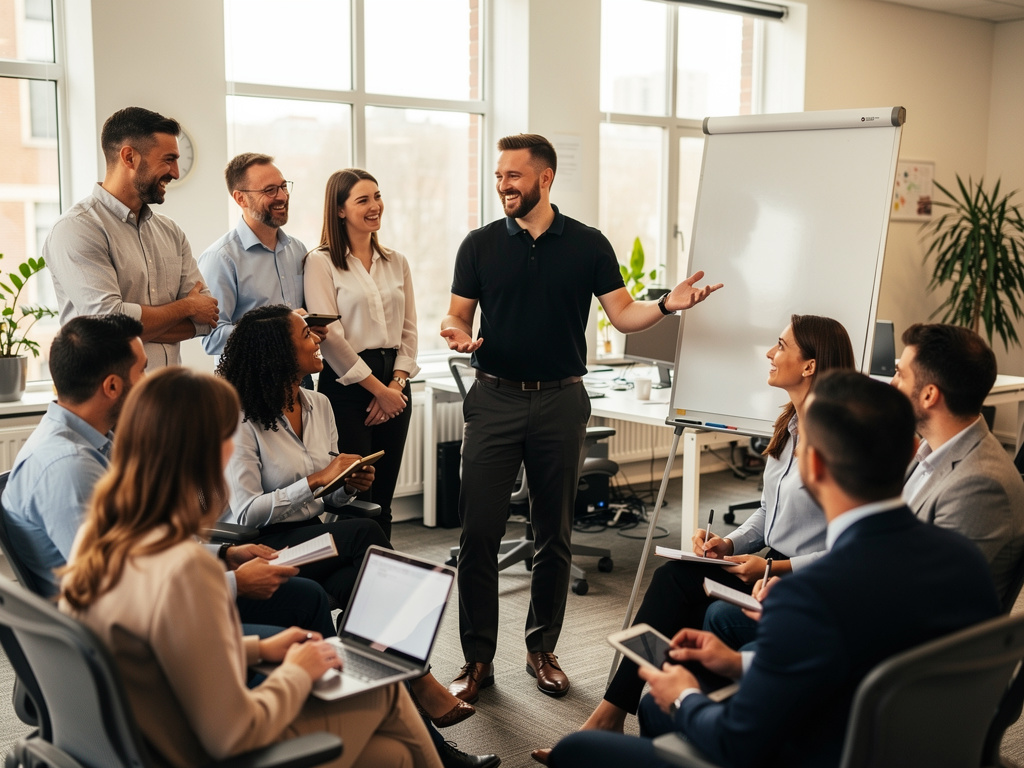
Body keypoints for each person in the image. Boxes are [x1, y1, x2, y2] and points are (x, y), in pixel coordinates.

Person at [547, 371, 1001, 768]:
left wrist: (684, 694)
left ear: (814, 465)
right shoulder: (964, 561)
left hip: (811, 752)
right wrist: (739, 661)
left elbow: (737, 742)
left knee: (583, 750)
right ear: (910, 452)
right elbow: (863, 658)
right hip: (904, 748)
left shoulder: (808, 595)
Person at [441, 133, 721, 703]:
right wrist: (456, 335)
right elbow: (454, 315)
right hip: (493, 398)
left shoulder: (588, 244)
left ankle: (542, 648)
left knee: (555, 534)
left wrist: (668, 305)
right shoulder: (479, 245)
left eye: (512, 176)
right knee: (478, 534)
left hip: (561, 400)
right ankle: (476, 659)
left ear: (544, 178)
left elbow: (622, 314)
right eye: (498, 177)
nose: (503, 186)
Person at [58, 367, 443, 768]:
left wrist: (258, 647)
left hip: (149, 738)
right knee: (383, 692)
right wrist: (296, 671)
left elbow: (168, 652)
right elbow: (234, 733)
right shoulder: (186, 569)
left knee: (392, 754)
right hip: (204, 751)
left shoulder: (103, 536)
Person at [540, 315, 855, 752]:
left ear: (809, 366)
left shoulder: (840, 442)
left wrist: (772, 565)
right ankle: (627, 711)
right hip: (763, 567)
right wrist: (728, 544)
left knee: (683, 596)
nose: (769, 353)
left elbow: (849, 551)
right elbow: (766, 513)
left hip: (797, 577)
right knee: (676, 579)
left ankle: (649, 713)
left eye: (780, 346)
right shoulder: (791, 426)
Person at [217, 305, 486, 741]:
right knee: (366, 538)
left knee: (369, 595)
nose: (318, 338)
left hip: (318, 545)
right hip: (266, 548)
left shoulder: (319, 404)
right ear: (278, 353)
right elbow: (246, 511)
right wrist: (317, 479)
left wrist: (348, 485)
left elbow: (331, 493)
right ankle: (418, 682)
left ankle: (425, 737)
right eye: (306, 334)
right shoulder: (241, 418)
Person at [0, 314, 332, 637]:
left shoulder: (101, 442)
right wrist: (233, 583)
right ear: (112, 386)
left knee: (305, 596)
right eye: (143, 370)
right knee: (301, 619)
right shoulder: (67, 467)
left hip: (156, 602)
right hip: (131, 635)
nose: (148, 382)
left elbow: (144, 544)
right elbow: (114, 585)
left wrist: (223, 555)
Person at [43, 106, 218, 369]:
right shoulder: (77, 229)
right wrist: (186, 307)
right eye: (168, 159)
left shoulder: (171, 232)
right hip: (110, 402)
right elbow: (108, 324)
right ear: (129, 157)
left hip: (166, 397)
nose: (176, 172)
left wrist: (133, 326)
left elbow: (206, 319)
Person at [303, 168, 417, 540]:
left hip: (395, 384)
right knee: (354, 496)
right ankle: (354, 582)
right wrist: (377, 390)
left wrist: (396, 384)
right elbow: (330, 334)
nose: (375, 206)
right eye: (363, 200)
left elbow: (409, 328)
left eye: (378, 196)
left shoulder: (396, 261)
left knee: (383, 499)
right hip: (348, 386)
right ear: (339, 210)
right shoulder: (320, 261)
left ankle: (384, 578)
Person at [893, 323, 1024, 599]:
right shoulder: (926, 450)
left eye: (899, 375)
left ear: (929, 395)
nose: (892, 384)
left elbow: (927, 596)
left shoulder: (980, 484)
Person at [199, 153, 330, 356]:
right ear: (240, 198)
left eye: (283, 186)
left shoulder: (298, 250)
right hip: (250, 384)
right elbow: (212, 338)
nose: (282, 196)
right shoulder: (221, 258)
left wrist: (310, 327)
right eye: (270, 190)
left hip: (299, 376)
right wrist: (277, 329)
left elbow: (299, 319)